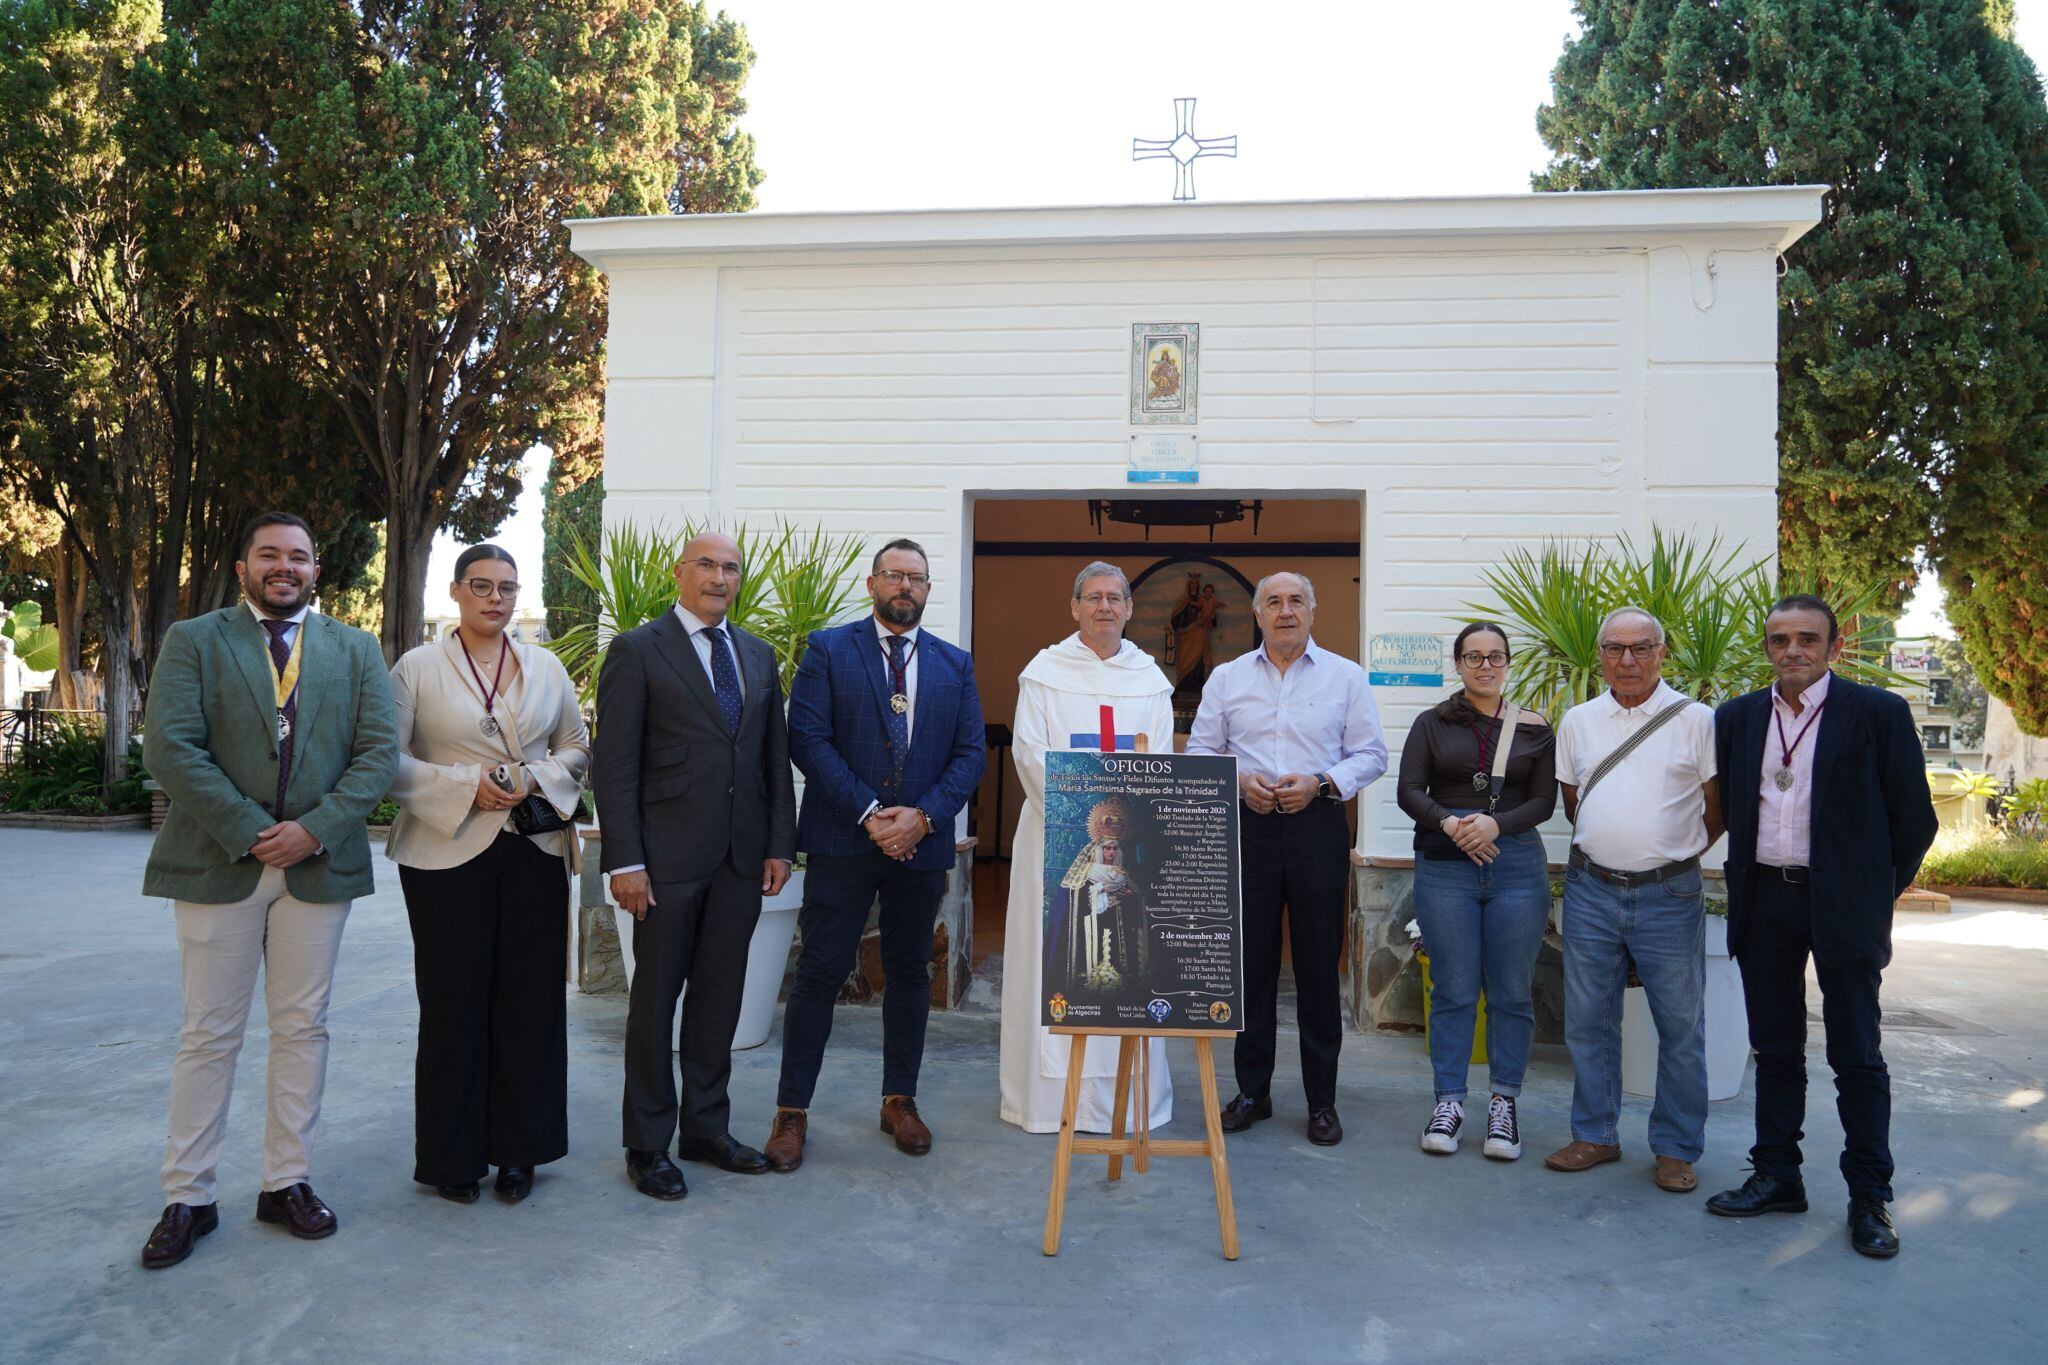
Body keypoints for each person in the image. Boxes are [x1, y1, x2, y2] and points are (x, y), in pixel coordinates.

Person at [138, 512, 398, 1269]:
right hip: (221, 861)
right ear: (244, 564)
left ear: (318, 570)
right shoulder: (196, 639)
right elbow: (170, 746)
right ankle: (188, 1193)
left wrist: (315, 828)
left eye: (299, 556)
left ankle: (286, 1180)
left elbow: (378, 752)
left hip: (317, 867)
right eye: (270, 554)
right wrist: (253, 828)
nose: (284, 566)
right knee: (209, 1033)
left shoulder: (354, 648)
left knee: (302, 1027)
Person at [1705, 595, 1936, 1258]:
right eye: (1780, 639)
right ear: (1767, 647)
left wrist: (1871, 894)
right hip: (1765, 900)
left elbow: (1914, 821)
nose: (1793, 650)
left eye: (1808, 638)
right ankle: (1777, 1174)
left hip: (1844, 906)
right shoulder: (1740, 717)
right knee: (1774, 1049)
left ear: (1834, 647)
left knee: (1856, 1054)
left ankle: (1870, 1195)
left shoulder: (1878, 713)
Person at [764, 538, 986, 1172]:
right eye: (894, 575)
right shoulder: (830, 649)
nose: (905, 587)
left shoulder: (956, 664)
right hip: (842, 839)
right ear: (872, 583)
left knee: (911, 973)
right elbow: (806, 737)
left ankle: (900, 1101)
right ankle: (790, 1112)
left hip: (924, 842)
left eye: (916, 578)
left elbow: (971, 755)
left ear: (927, 589)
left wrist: (922, 817)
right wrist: (870, 813)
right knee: (820, 973)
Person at [385, 545, 591, 1204]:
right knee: (452, 1004)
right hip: (444, 850)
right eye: (481, 585)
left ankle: (519, 1151)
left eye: (506, 587)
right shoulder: (416, 668)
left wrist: (529, 777)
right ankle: (453, 1155)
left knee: (530, 1002)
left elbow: (577, 745)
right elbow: (385, 760)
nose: (494, 598)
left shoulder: (547, 665)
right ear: (456, 591)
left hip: (532, 845)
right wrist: (465, 783)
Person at [594, 531, 796, 1201]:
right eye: (706, 564)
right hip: (665, 861)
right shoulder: (637, 650)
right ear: (678, 572)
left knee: (719, 1001)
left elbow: (772, 761)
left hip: (740, 861)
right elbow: (615, 764)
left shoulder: (759, 656)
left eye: (730, 567)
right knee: (654, 1004)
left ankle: (706, 1128)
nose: (719, 576)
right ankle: (647, 1142)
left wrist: (778, 845)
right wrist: (624, 860)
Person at [1188, 572, 1387, 1146]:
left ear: (1313, 610)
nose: (1285, 611)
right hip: (1247, 825)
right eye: (1272, 601)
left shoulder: (1346, 677)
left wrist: (1324, 784)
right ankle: (1253, 1091)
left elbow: (1371, 754)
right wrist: (1237, 781)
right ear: (1257, 614)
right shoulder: (1227, 679)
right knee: (1251, 967)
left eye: (1296, 600)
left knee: (1319, 969)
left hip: (1317, 825)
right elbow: (1203, 751)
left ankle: (1322, 1101)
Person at [1545, 607, 1720, 1194]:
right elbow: (1575, 802)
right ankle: (1595, 1135)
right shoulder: (1578, 721)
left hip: (1669, 892)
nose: (1627, 660)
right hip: (1592, 888)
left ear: (1661, 653)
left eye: (1640, 648)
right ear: (1599, 656)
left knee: (1681, 1026)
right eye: (1615, 649)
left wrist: (1673, 849)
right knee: (1589, 1023)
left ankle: (1675, 1149)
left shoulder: (1697, 721)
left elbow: (1716, 805)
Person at [998, 562, 1175, 1133]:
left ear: (1128, 609)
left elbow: (1161, 763)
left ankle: (1127, 1100)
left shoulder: (1150, 680)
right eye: (1093, 598)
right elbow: (1029, 754)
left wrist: (1121, 832)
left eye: (1114, 598)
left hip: (1129, 853)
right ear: (1074, 607)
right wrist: (1082, 827)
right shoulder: (1044, 673)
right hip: (1055, 844)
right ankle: (1049, 1104)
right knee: (1055, 954)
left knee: (1130, 956)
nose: (1104, 607)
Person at [1395, 621, 1556, 1159]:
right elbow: (1409, 790)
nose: (1485, 666)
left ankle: (1504, 1104)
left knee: (1511, 990)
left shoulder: (1534, 727)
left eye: (1495, 657)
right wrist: (1451, 824)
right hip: (1445, 869)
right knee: (1454, 989)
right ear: (1458, 664)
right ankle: (1449, 1102)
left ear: (1508, 663)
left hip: (1515, 869)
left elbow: (1543, 803)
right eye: (1473, 657)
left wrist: (1494, 826)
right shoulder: (1431, 724)